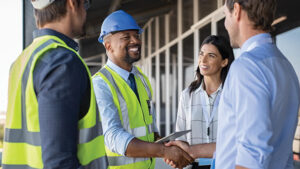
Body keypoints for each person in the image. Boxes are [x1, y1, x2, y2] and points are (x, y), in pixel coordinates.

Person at [2, 0, 108, 169]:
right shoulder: (62, 62)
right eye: (85, 4)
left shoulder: (22, 61)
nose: (86, 12)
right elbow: (59, 164)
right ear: (72, 4)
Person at [92, 10, 194, 169]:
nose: (135, 41)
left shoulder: (141, 79)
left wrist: (168, 144)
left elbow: (148, 130)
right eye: (126, 37)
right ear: (108, 46)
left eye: (137, 36)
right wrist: (163, 152)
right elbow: (113, 137)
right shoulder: (100, 84)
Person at [216, 0, 300, 169]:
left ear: (237, 11)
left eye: (225, 15)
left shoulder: (246, 67)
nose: (225, 24)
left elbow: (252, 157)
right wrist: (193, 150)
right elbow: (236, 142)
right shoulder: (285, 66)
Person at [165, 35, 234, 169]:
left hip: (227, 165)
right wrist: (174, 153)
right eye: (201, 54)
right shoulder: (187, 95)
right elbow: (181, 136)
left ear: (224, 62)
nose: (203, 60)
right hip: (195, 166)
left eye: (211, 55)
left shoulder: (233, 94)